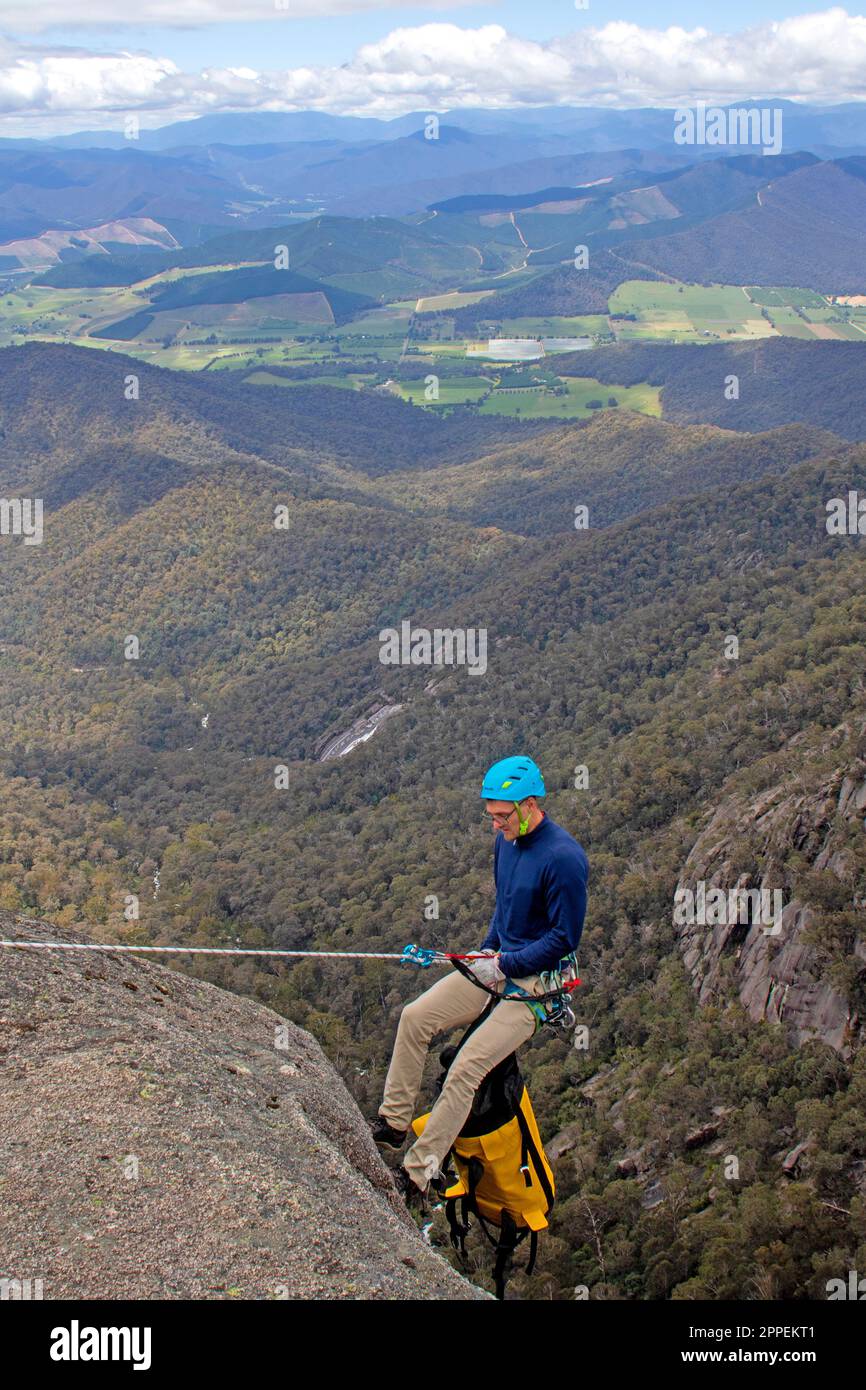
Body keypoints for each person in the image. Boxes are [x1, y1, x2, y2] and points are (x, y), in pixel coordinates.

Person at [370, 755, 589, 1203]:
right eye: (491, 816)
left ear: (530, 805)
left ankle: (418, 1174)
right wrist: (487, 950)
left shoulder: (564, 859)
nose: (495, 825)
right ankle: (393, 1123)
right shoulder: (506, 843)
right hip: (500, 962)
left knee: (467, 1067)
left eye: (502, 816)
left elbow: (565, 938)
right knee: (416, 1017)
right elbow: (504, 906)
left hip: (537, 988)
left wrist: (505, 966)